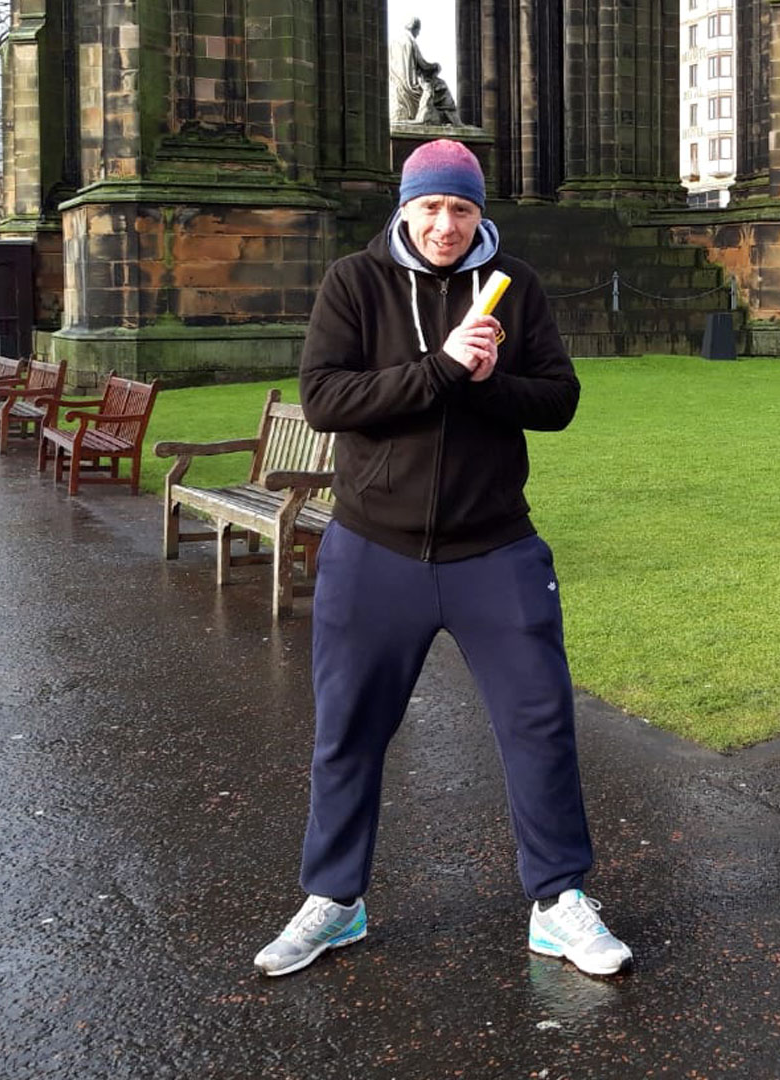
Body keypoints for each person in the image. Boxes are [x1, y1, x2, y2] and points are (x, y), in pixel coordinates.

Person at [254, 139, 632, 979]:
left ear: (479, 213)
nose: (445, 225)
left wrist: (488, 378)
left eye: (461, 209)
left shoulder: (517, 287)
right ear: (404, 208)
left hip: (492, 545)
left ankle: (559, 901)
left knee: (539, 723)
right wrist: (440, 370)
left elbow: (560, 400)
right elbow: (326, 400)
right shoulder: (355, 282)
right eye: (430, 207)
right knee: (349, 729)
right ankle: (335, 900)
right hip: (373, 545)